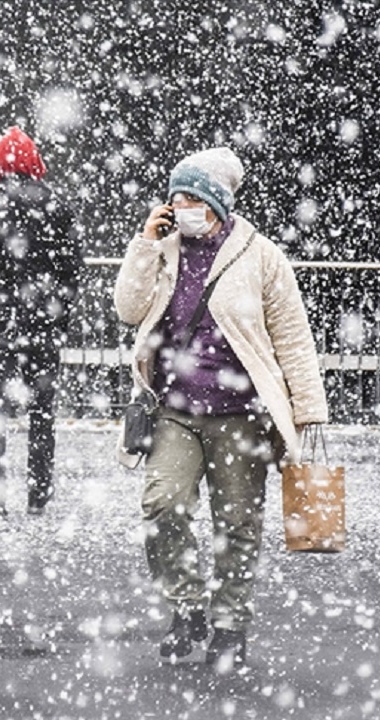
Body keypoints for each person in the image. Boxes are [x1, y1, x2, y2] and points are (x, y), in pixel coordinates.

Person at [112, 147, 328, 669]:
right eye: (174, 199)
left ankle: (230, 625)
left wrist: (308, 411)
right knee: (162, 505)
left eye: (191, 198)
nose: (181, 207)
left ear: (216, 202)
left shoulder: (260, 256)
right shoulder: (163, 250)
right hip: (175, 409)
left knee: (236, 523)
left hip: (240, 413)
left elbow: (292, 337)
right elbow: (127, 308)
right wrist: (144, 243)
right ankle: (187, 608)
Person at [0, 126, 80, 520]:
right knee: (42, 412)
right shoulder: (56, 206)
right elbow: (70, 270)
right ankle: (39, 492)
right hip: (41, 322)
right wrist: (61, 315)